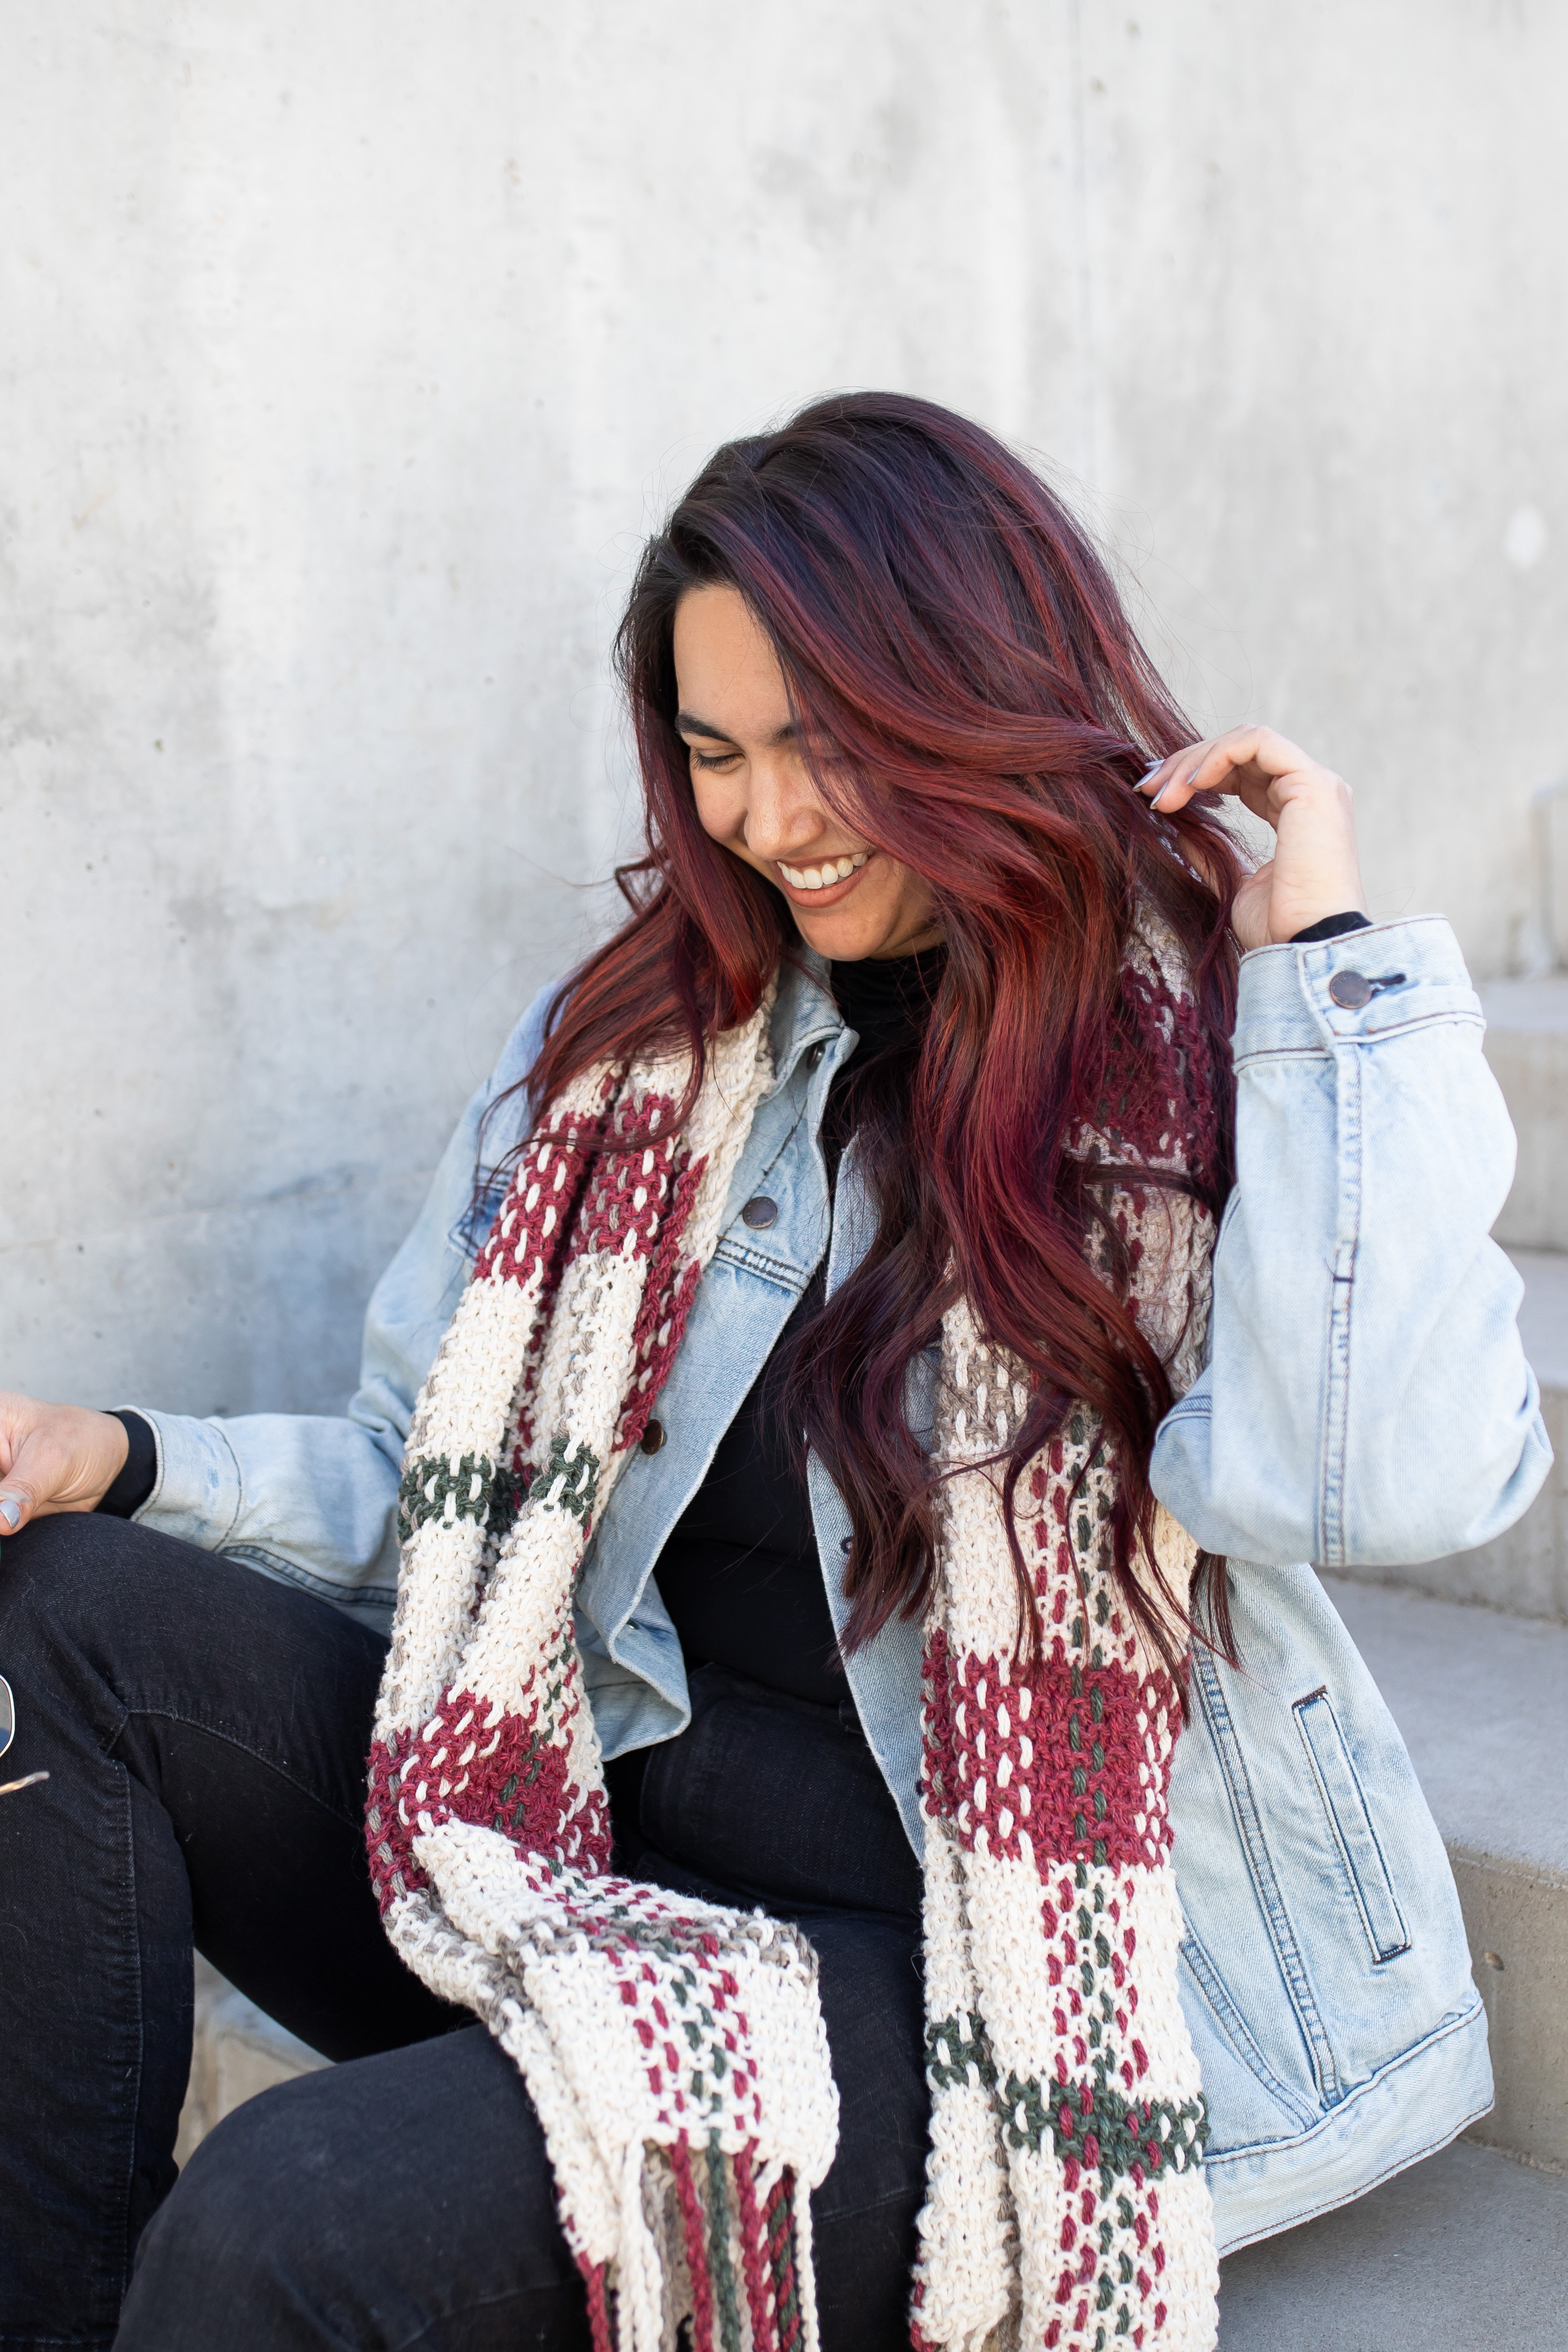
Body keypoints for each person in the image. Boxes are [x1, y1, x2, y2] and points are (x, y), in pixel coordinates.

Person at [0, 392, 1547, 2352]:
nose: (761, 819)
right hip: (576, 1848)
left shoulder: (1201, 1055)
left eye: (822, 744)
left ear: (969, 699)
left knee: (278, 2221)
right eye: (714, 753)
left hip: (971, 1971)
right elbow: (449, 1491)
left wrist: (1325, 966)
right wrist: (120, 1457)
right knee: (52, 1609)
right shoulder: (638, 1048)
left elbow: (1377, 1476)